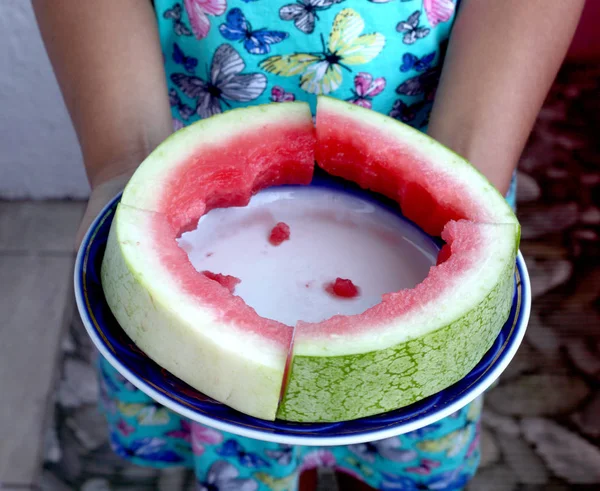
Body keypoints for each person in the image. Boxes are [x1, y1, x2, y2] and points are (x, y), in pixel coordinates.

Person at [33, 1, 583, 489]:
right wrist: (125, 161)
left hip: (445, 128)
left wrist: (465, 174)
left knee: (402, 435)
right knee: (226, 426)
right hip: (176, 129)